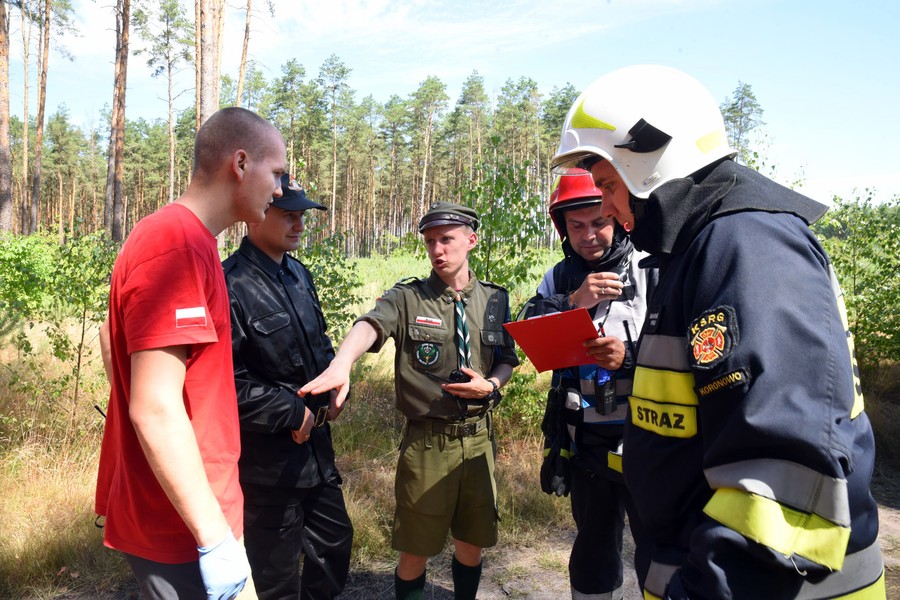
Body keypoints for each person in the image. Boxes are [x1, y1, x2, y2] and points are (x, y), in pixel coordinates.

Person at [549, 64, 884, 599]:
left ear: (650, 161)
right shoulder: (701, 250)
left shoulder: (748, 248)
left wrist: (702, 588)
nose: (606, 206)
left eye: (608, 185)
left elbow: (778, 484)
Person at [96, 106, 286, 600]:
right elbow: (155, 407)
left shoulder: (187, 240)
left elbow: (109, 337)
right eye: (276, 173)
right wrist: (213, 539)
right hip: (184, 526)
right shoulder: (176, 244)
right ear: (240, 164)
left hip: (196, 508)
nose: (280, 190)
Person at [300, 201, 519, 600]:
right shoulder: (408, 298)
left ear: (471, 240)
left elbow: (506, 358)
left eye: (446, 239)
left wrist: (491, 385)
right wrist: (342, 362)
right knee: (416, 549)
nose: (437, 249)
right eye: (430, 241)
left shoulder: (494, 299)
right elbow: (370, 325)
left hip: (478, 442)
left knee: (472, 544)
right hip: (427, 443)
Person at [520, 168, 654, 599]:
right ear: (563, 228)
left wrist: (628, 357)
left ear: (618, 217)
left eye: (599, 222)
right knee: (594, 552)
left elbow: (687, 344)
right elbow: (526, 330)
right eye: (576, 226)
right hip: (586, 444)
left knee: (660, 548)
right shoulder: (560, 278)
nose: (589, 235)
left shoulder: (650, 267)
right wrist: (574, 300)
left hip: (648, 439)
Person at [223, 174, 353, 600]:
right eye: (288, 215)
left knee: (334, 547)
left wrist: (335, 386)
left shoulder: (299, 274)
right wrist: (291, 411)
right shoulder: (229, 283)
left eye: (303, 216)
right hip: (267, 466)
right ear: (256, 216)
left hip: (317, 455)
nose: (299, 225)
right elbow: (224, 382)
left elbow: (320, 345)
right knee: (275, 578)